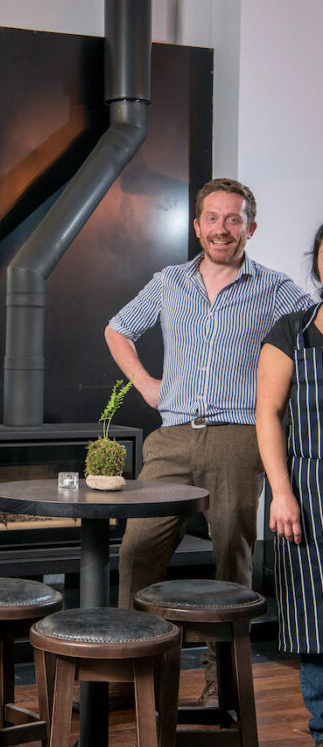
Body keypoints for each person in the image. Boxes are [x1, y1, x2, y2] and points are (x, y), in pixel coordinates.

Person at [105, 177, 312, 706]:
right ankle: (132, 676)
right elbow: (118, 329)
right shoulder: (169, 281)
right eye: (213, 219)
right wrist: (149, 386)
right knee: (137, 551)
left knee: (232, 562)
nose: (223, 228)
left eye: (234, 219)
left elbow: (313, 331)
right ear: (197, 226)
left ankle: (222, 685)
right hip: (171, 438)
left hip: (240, 438)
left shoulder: (278, 288)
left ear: (251, 228)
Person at [256, 224, 323, 747]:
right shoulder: (291, 332)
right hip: (309, 488)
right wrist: (281, 491)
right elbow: (268, 415)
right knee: (314, 617)